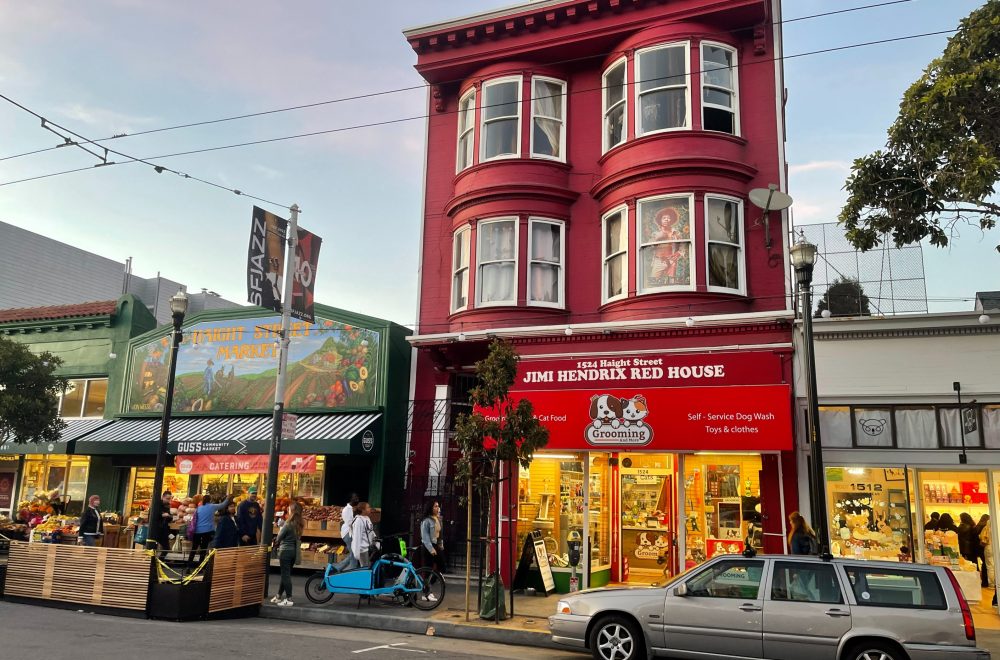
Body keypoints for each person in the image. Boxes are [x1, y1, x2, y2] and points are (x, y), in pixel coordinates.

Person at [272, 501, 302, 606]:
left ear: (292, 511)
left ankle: (289, 599)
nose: (287, 510)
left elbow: (279, 537)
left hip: (285, 551)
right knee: (286, 574)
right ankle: (278, 596)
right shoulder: (299, 524)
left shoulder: (288, 524)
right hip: (294, 552)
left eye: (289, 509)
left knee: (285, 576)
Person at [189, 492, 231, 565]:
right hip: (207, 531)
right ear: (210, 500)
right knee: (204, 548)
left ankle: (188, 566)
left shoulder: (199, 508)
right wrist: (227, 499)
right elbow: (223, 505)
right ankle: (200, 566)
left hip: (197, 531)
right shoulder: (212, 506)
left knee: (194, 548)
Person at [332, 493, 361, 573]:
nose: (357, 498)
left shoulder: (354, 508)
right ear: (350, 499)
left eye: (357, 497)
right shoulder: (346, 510)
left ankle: (338, 567)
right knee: (354, 554)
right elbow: (350, 523)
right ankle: (351, 571)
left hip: (353, 533)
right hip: (348, 533)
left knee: (354, 553)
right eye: (355, 497)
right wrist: (356, 515)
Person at [420, 500, 445, 573]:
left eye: (438, 506)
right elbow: (425, 537)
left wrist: (440, 545)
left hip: (436, 544)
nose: (438, 508)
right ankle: (427, 583)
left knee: (442, 566)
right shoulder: (426, 521)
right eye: (436, 506)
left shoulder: (438, 519)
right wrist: (431, 549)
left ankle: (434, 579)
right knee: (428, 568)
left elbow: (440, 534)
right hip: (427, 546)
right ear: (431, 508)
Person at [351, 502, 376, 568]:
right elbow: (356, 537)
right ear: (363, 510)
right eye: (368, 507)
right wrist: (357, 553)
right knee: (365, 567)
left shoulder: (367, 518)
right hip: (362, 549)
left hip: (368, 547)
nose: (370, 509)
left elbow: (370, 531)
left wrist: (375, 541)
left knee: (368, 566)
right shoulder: (358, 521)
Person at [154, 490, 173, 559]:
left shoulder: (167, 506)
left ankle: (159, 562)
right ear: (163, 497)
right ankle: (154, 563)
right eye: (167, 498)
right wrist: (162, 515)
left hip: (163, 529)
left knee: (166, 548)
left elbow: (169, 517)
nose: (169, 500)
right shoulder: (156, 504)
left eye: (170, 499)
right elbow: (153, 515)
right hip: (156, 529)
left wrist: (170, 517)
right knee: (153, 548)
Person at [976, 514, 992, 588]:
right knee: (990, 565)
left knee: (988, 566)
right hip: (991, 547)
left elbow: (981, 537)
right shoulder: (993, 528)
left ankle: (989, 583)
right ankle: (992, 583)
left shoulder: (983, 527)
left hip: (985, 547)